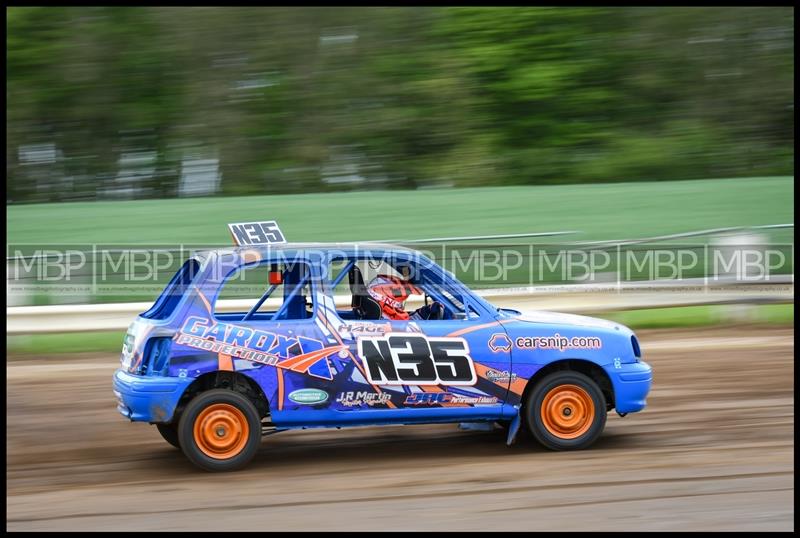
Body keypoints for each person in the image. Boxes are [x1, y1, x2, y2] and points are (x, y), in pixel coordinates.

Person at [366, 274, 444, 321]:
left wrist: (422, 315)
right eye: (399, 301)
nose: (401, 306)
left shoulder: (375, 321)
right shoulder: (384, 326)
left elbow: (406, 325)